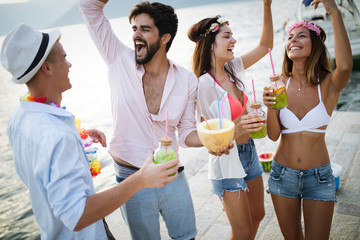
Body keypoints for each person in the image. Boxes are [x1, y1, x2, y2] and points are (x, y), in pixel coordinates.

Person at [1, 23, 180, 239]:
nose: (70, 64)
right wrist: (142, 178)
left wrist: (79, 137)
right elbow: (77, 215)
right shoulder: (57, 135)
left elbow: (40, 160)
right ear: (47, 68)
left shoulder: (20, 116)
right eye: (64, 57)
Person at [79, 0, 233, 239]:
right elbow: (89, 7)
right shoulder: (117, 58)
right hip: (131, 179)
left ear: (164, 38)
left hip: (172, 174)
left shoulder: (186, 80)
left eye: (145, 29)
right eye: (134, 29)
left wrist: (212, 140)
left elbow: (185, 134)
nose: (136, 35)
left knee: (186, 236)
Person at [262, 0, 352, 239]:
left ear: (316, 45)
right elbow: (272, 135)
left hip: (319, 177)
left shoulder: (328, 84)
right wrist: (270, 106)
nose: (293, 40)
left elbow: (345, 66)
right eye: (290, 37)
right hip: (282, 175)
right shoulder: (278, 83)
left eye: (301, 36)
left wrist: (333, 11)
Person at [188, 0, 273, 239]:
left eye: (232, 35)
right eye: (227, 36)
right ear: (210, 44)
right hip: (227, 163)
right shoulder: (204, 84)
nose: (233, 40)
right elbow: (212, 137)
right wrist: (240, 126)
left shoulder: (234, 68)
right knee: (242, 230)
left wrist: (266, 5)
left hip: (249, 152)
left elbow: (266, 45)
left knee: (258, 216)